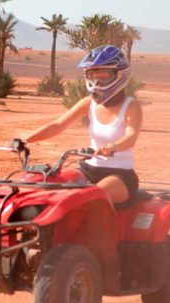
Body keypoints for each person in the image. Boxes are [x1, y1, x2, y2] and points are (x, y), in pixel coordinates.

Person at [22, 45, 143, 204]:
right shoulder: (89, 103)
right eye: (94, 76)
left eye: (104, 76)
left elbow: (131, 137)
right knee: (50, 188)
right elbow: (58, 125)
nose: (98, 81)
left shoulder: (131, 106)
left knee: (92, 198)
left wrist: (112, 147)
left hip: (120, 174)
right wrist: (25, 140)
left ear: (120, 74)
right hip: (88, 169)